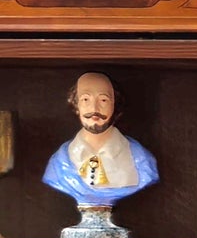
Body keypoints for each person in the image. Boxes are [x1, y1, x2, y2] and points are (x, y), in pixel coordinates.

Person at [42, 72, 158, 204]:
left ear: (115, 105)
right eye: (86, 100)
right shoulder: (59, 162)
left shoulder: (141, 161)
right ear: (76, 105)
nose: (94, 109)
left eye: (103, 100)